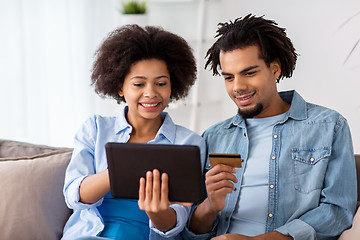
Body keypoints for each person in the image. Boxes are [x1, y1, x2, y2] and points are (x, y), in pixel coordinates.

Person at [181, 14, 357, 240]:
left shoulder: (328, 126)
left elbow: (337, 211)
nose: (238, 87)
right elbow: (191, 231)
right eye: (228, 77)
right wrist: (210, 206)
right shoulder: (214, 137)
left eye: (249, 73)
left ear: (275, 69)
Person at [61, 24, 205, 240]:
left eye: (161, 83)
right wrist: (121, 170)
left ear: (172, 86)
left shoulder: (189, 143)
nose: (151, 93)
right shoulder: (96, 129)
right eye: (139, 84)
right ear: (120, 87)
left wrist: (157, 212)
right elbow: (74, 195)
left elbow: (178, 223)